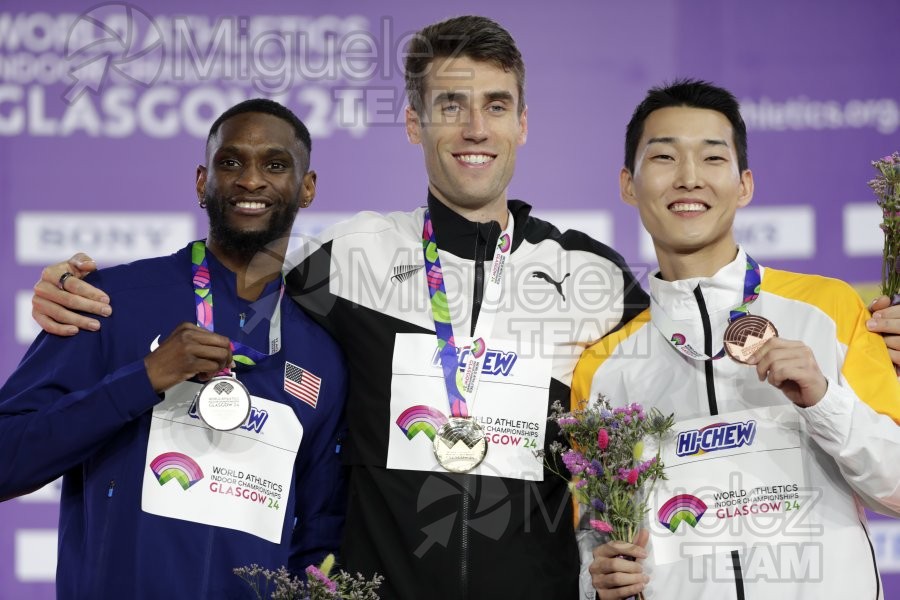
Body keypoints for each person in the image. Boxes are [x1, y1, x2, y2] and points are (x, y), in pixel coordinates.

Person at [27, 16, 649, 599]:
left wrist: (748, 337)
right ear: (413, 124)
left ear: (522, 122)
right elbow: (227, 269)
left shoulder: (589, 273)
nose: (475, 129)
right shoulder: (351, 256)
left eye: (496, 105)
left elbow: (683, 373)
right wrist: (81, 289)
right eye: (449, 106)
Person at [0, 99, 348, 599]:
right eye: (231, 163)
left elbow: (320, 541)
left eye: (275, 164)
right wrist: (141, 379)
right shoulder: (107, 301)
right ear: (201, 181)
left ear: (307, 187)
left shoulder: (322, 356)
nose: (251, 180)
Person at [571, 79, 900, 600]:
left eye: (712, 158)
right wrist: (599, 578)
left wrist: (824, 401)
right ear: (628, 185)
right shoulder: (604, 365)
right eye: (663, 157)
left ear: (744, 184)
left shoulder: (830, 309)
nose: (688, 178)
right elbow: (600, 539)